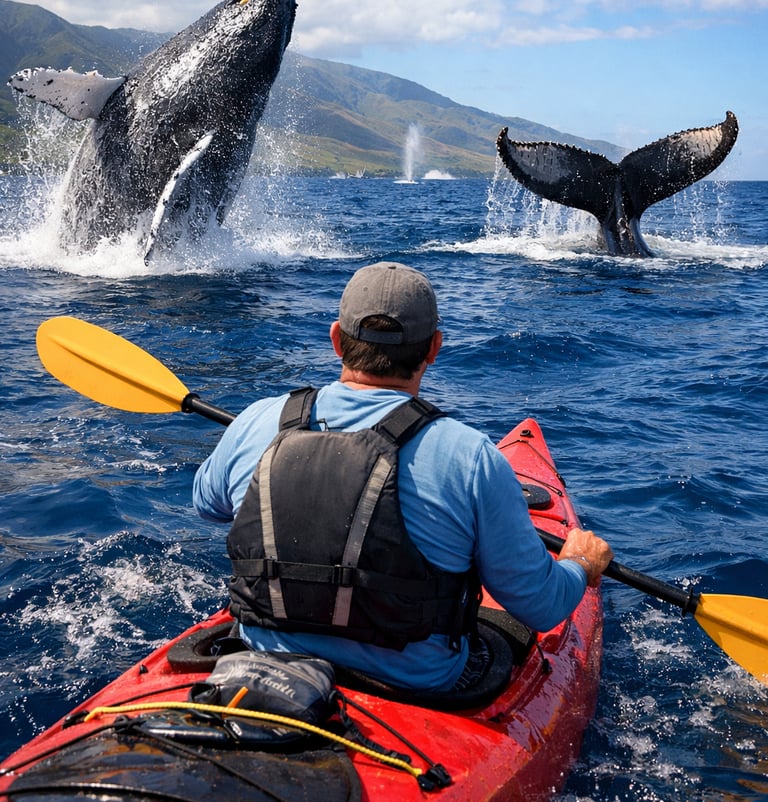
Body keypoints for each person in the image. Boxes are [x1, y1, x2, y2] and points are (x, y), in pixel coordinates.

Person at [193, 261, 613, 693]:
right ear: (434, 347)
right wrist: (580, 563)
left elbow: (208, 504)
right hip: (415, 686)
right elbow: (543, 607)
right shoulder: (470, 457)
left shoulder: (259, 420)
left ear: (337, 339)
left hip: (260, 664)